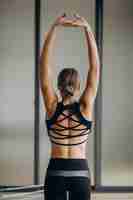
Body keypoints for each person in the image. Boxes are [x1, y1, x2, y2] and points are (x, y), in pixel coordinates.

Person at [39, 12, 100, 200]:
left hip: (55, 172)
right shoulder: (85, 107)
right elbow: (95, 68)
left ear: (58, 85)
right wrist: (87, 29)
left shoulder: (51, 105)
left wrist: (54, 28)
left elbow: (43, 64)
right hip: (80, 173)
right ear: (79, 86)